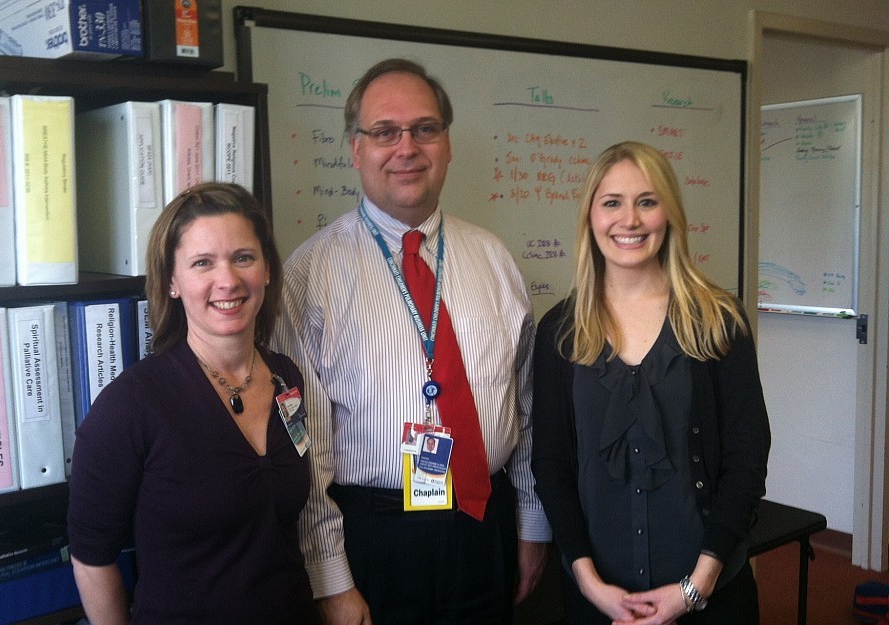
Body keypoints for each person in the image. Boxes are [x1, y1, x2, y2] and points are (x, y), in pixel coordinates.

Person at [272, 58, 550, 625]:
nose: (407, 147)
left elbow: (527, 407)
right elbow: (301, 445)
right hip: (370, 541)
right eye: (384, 132)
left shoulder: (494, 260)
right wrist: (330, 577)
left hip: (482, 525)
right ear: (356, 149)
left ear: (446, 144)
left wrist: (531, 526)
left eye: (425, 128)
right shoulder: (309, 275)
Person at [531, 141, 771, 624]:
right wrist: (589, 584)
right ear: (590, 217)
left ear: (669, 213)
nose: (630, 220)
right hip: (596, 602)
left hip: (710, 598)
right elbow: (551, 465)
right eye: (612, 203)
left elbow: (748, 459)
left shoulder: (718, 322)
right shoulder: (558, 332)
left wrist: (694, 588)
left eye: (647, 201)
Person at [68, 182, 317, 625]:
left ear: (267, 270)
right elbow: (91, 558)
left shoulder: (287, 379)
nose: (228, 280)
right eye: (203, 263)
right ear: (172, 282)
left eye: (243, 257)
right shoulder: (131, 406)